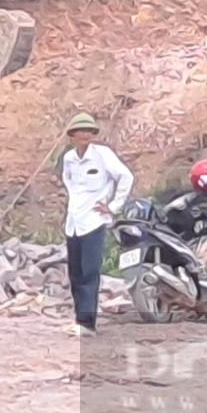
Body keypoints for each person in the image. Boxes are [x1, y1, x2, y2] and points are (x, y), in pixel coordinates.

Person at [59, 113, 133, 336]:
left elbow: (126, 177)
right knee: (75, 273)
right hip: (74, 221)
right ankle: (79, 318)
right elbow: (69, 182)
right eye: (80, 131)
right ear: (72, 135)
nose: (85, 135)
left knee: (90, 272)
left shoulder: (103, 155)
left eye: (89, 131)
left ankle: (88, 322)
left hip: (93, 222)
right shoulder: (69, 158)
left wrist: (112, 206)